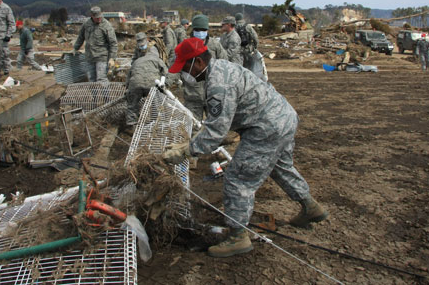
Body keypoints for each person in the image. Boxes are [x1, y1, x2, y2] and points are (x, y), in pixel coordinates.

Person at [164, 38, 328, 258]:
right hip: (284, 117)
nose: (185, 74)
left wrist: (184, 151)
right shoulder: (221, 68)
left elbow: (215, 132)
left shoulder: (218, 84)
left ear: (198, 63)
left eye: (185, 67)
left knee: (238, 179)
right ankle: (311, 207)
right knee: (280, 167)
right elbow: (217, 125)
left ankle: (238, 236)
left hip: (266, 128)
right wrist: (192, 142)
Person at [182, 14, 227, 121]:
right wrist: (166, 81)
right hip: (192, 95)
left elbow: (225, 63)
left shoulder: (215, 45)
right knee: (192, 126)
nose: (200, 32)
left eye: (203, 30)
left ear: (207, 30)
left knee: (215, 124)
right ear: (193, 30)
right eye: (198, 29)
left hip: (212, 94)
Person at [124, 44, 167, 126]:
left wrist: (127, 90)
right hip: (151, 83)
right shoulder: (158, 60)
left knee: (132, 104)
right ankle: (156, 123)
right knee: (156, 103)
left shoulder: (137, 61)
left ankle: (131, 124)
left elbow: (128, 77)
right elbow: (165, 73)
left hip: (135, 84)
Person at [73, 6, 118, 82]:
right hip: (90, 56)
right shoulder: (86, 24)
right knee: (91, 79)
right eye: (97, 18)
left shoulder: (106, 26)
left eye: (100, 17)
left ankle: (105, 94)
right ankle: (95, 94)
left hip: (102, 57)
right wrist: (75, 48)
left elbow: (113, 43)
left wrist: (112, 58)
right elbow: (81, 37)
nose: (99, 19)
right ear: (92, 16)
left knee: (101, 79)